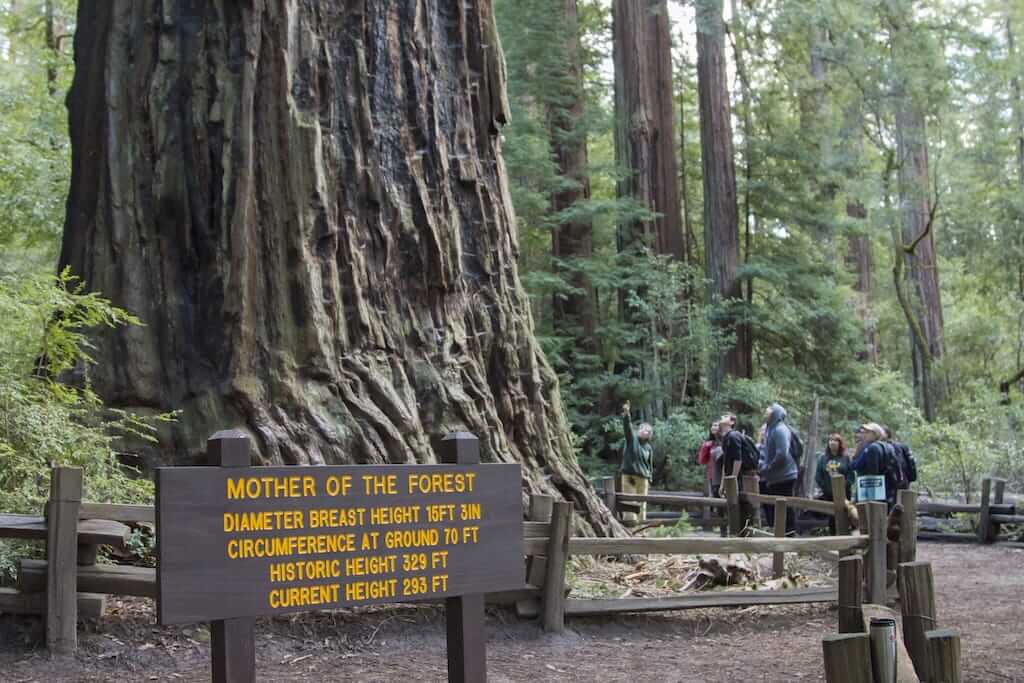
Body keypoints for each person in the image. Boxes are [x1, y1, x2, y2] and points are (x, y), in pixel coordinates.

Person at [760, 403, 799, 533]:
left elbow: (782, 453)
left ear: (775, 413)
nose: (765, 414)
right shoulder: (771, 429)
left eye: (768, 411)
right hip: (775, 476)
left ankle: (789, 533)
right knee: (777, 505)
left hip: (785, 475)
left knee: (785, 506)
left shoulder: (780, 429)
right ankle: (781, 532)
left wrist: (768, 467)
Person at [619, 402, 653, 522]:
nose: (644, 431)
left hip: (643, 478)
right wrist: (627, 415)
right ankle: (629, 525)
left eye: (647, 431)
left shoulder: (648, 447)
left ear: (649, 435)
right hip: (629, 475)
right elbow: (627, 428)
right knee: (629, 501)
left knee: (642, 503)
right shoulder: (632, 440)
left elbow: (650, 464)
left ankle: (641, 526)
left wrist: (650, 478)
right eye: (642, 429)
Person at [815, 432, 855, 534]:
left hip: (844, 493)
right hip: (829, 493)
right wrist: (825, 488)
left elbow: (851, 475)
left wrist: (846, 485)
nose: (832, 443)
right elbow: (818, 476)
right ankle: (832, 536)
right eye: (830, 440)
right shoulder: (823, 458)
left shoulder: (845, 458)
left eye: (835, 441)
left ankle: (845, 535)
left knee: (844, 514)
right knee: (832, 516)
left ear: (840, 443)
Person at [851, 423, 889, 504]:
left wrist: (855, 455)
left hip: (869, 487)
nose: (864, 434)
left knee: (866, 513)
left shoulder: (871, 448)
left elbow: (856, 465)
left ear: (875, 434)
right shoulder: (882, 445)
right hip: (880, 487)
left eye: (867, 432)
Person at [696, 421, 723, 497]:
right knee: (713, 498)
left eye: (716, 425)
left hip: (723, 476)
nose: (714, 427)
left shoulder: (726, 440)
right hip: (711, 476)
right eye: (712, 425)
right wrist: (705, 447)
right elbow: (702, 461)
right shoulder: (708, 443)